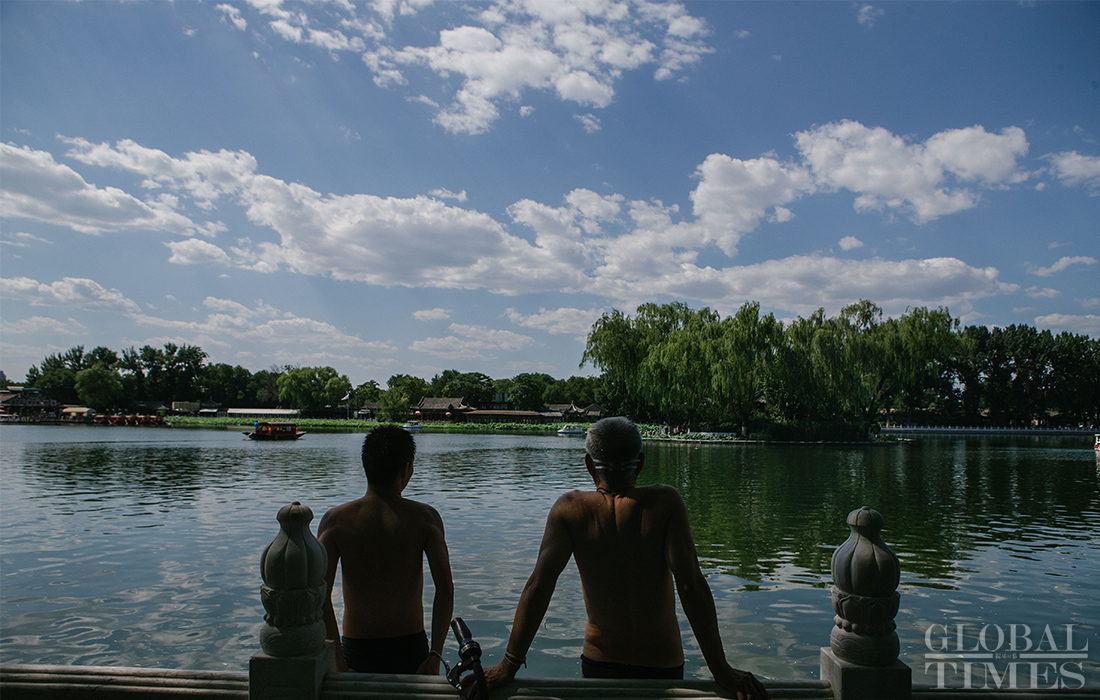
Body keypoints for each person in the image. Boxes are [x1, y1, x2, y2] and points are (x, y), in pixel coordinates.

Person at [471, 417, 769, 700]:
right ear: (640, 463)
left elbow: (539, 586)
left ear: (589, 464)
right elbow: (691, 586)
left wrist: (507, 666)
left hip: (600, 662)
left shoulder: (570, 509)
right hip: (661, 664)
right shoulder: (665, 504)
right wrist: (720, 669)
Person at [318, 425, 454, 674]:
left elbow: (320, 596)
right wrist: (435, 655)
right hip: (411, 648)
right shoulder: (425, 519)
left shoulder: (335, 521)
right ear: (406, 469)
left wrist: (338, 659)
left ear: (366, 466)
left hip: (355, 649)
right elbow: (445, 589)